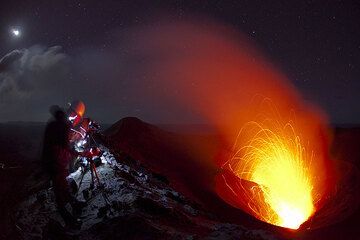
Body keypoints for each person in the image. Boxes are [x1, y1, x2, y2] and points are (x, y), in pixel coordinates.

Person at [42, 105, 82, 228]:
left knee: (61, 189)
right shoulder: (63, 128)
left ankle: (75, 206)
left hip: (52, 164)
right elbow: (65, 147)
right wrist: (79, 154)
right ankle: (70, 221)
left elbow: (46, 145)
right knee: (60, 192)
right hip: (58, 165)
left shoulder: (51, 126)